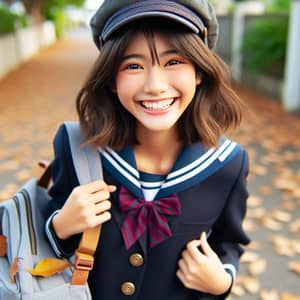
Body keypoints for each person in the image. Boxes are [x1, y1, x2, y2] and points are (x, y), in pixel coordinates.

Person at [45, 0, 250, 299]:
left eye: (174, 61)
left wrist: (222, 282)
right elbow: (46, 235)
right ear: (112, 80)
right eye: (133, 66)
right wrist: (61, 225)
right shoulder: (77, 147)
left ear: (199, 71)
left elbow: (228, 244)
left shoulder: (228, 163)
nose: (155, 85)